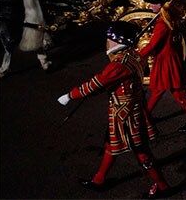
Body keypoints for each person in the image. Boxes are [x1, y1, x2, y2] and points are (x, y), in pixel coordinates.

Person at [56, 21, 170, 199]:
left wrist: (70, 96)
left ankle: (162, 186)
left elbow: (95, 84)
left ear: (117, 41)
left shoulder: (118, 65)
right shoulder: (132, 55)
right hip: (129, 108)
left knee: (141, 153)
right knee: (111, 144)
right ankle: (99, 180)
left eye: (109, 39)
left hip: (125, 114)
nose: (107, 42)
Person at [137, 0, 186, 133]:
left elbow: (152, 45)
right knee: (164, 91)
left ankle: (143, 119)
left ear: (159, 5)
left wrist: (138, 55)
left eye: (152, 4)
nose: (150, 7)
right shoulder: (169, 18)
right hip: (169, 58)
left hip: (165, 60)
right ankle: (144, 118)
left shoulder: (162, 23)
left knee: (173, 91)